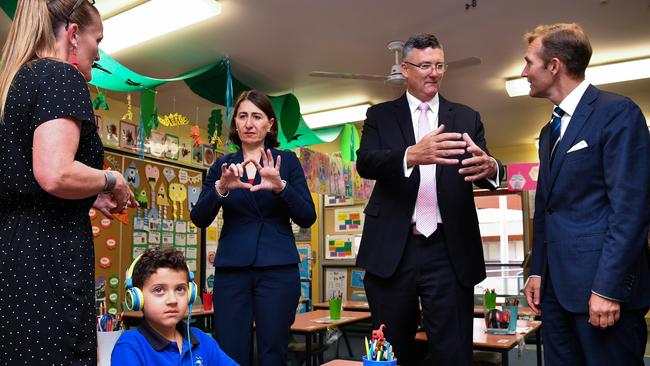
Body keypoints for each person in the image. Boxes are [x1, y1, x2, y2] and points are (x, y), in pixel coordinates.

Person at [0, 1, 135, 365]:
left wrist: (88, 195)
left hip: (16, 251)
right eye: (98, 39)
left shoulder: (18, 80)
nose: (99, 51)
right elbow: (55, 173)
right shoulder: (61, 76)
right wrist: (111, 180)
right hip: (49, 259)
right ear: (74, 35)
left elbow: (27, 178)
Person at [356, 33, 503, 366]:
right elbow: (365, 163)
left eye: (439, 65)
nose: (433, 73)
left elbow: (486, 168)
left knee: (452, 350)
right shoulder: (380, 115)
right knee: (391, 348)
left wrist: (492, 167)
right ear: (405, 69)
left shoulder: (467, 117)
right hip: (395, 247)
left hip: (449, 251)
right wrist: (410, 154)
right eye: (424, 66)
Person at [521, 23, 650, 365]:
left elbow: (631, 210)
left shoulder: (617, 113)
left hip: (602, 295)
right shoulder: (549, 132)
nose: (524, 72)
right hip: (556, 296)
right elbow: (548, 209)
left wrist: (608, 289)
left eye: (529, 62)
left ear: (553, 66)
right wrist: (538, 272)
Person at [190, 90, 316, 366]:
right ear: (235, 123)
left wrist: (281, 187)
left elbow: (307, 217)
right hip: (232, 271)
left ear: (270, 124)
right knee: (230, 351)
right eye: (243, 116)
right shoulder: (222, 166)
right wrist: (221, 188)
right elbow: (199, 218)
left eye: (257, 117)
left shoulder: (287, 162)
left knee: (274, 351)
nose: (249, 123)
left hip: (278, 270)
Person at [111, 248, 237, 365]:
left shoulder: (201, 339)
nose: (173, 300)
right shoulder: (130, 346)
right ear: (137, 298)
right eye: (159, 289)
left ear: (190, 294)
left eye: (180, 289)